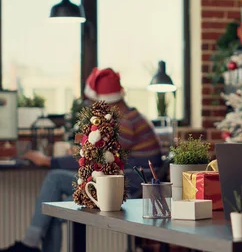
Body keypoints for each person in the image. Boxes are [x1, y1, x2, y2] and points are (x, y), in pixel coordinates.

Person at [3, 68, 162, 252]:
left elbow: (94, 160)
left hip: (125, 188)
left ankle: (29, 245)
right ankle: (29, 245)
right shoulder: (130, 117)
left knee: (54, 188)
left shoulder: (124, 123)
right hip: (120, 182)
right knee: (53, 200)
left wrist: (49, 160)